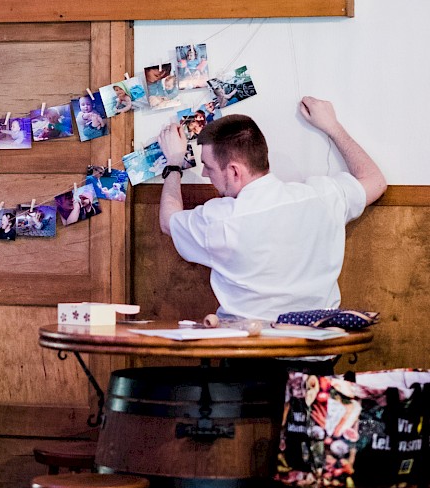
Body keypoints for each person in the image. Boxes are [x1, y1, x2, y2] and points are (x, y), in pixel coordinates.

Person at [157, 98, 387, 327]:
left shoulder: (221, 219)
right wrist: (332, 127)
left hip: (250, 355)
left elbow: (169, 222)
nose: (206, 174)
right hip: (320, 352)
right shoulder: (323, 197)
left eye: (208, 166)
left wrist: (174, 165)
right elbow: (375, 181)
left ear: (235, 171)